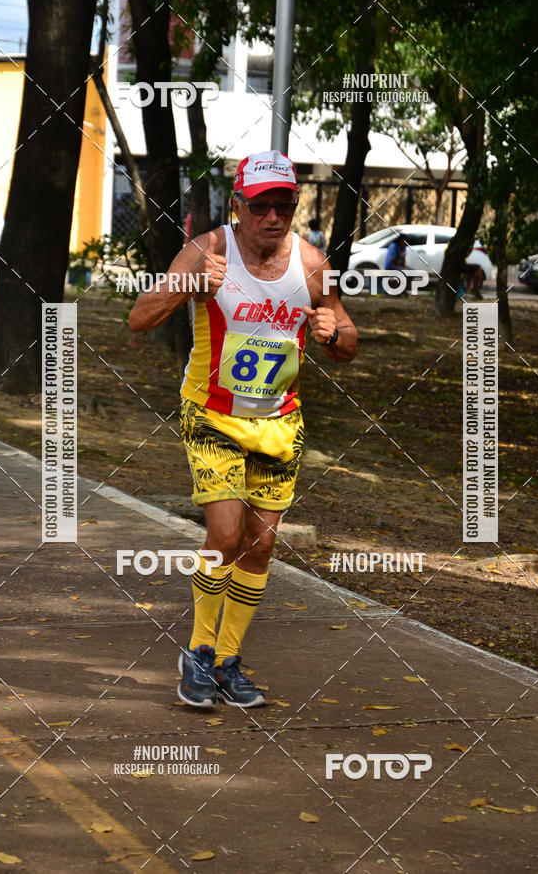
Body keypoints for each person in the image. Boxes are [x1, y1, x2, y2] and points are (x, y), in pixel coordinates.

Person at [128, 150, 357, 709]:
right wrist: (187, 287)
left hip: (279, 421)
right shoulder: (206, 250)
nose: (273, 217)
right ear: (238, 206)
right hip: (211, 413)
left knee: (259, 547)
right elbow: (139, 318)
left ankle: (228, 661)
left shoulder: (312, 265)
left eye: (284, 205)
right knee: (226, 536)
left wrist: (334, 332)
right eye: (261, 207)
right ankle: (198, 652)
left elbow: (347, 339)